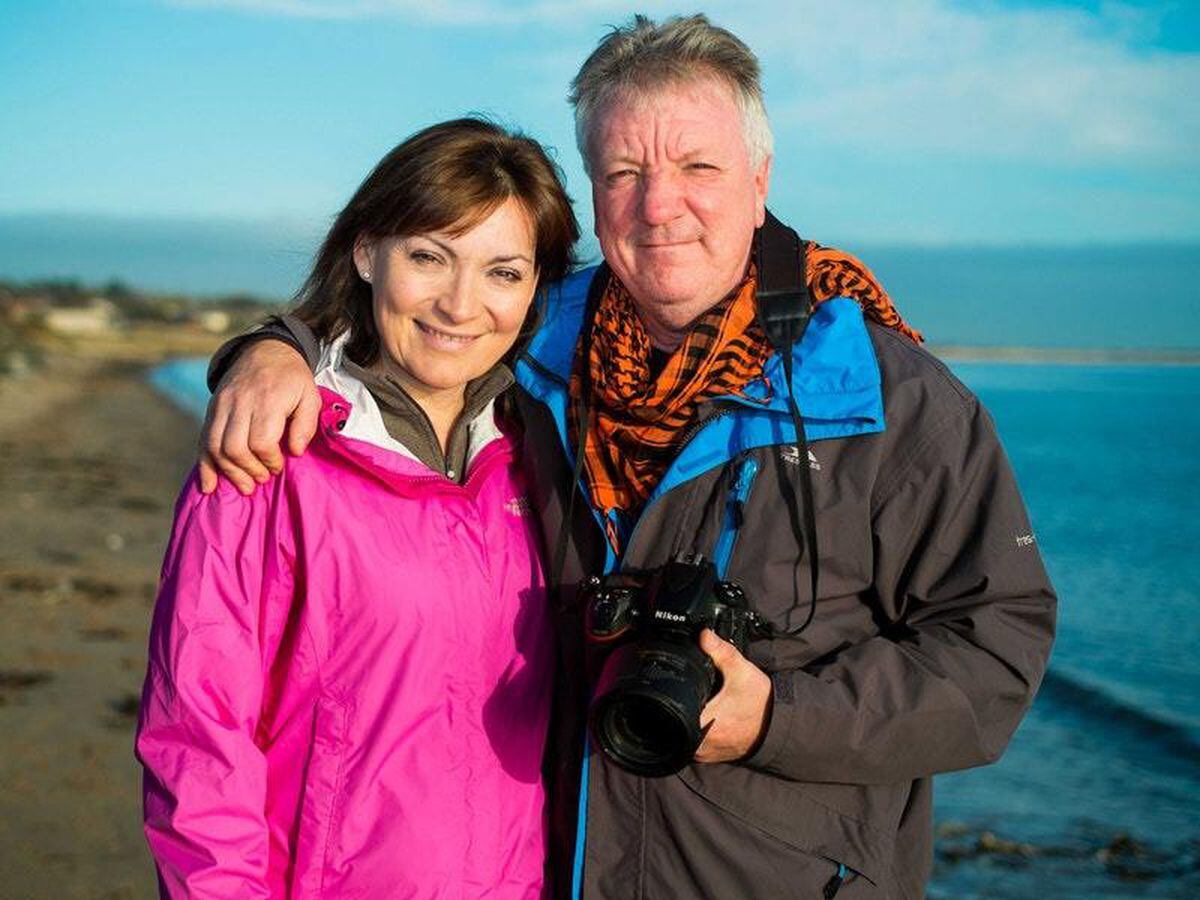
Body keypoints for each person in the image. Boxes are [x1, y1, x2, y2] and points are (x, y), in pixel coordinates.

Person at [200, 15, 1057, 900]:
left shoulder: (887, 399)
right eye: (625, 173)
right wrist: (279, 348)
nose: (659, 205)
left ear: (759, 180)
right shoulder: (537, 352)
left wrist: (779, 718)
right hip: (559, 870)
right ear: (595, 194)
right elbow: (419, 322)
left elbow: (995, 650)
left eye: (697, 167)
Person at [135, 117, 580, 898]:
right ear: (367, 252)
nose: (460, 304)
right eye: (428, 257)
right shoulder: (272, 451)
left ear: (537, 287)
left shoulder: (542, 455)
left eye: (503, 272)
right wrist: (272, 350)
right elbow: (199, 742)